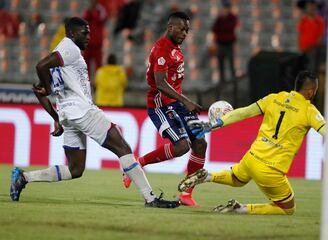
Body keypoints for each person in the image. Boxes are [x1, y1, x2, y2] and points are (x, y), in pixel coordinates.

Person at [9, 17, 179, 209]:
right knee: (122, 147)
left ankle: (23, 177)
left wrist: (56, 118)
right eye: (85, 32)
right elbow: (40, 66)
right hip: (82, 111)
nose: (89, 36)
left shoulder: (59, 56)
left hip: (67, 116)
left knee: (75, 169)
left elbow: (38, 90)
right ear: (72, 33)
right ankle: (150, 198)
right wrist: (49, 89)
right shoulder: (69, 48)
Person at [178, 71, 328, 215]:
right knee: (287, 208)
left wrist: (214, 124)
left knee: (237, 179)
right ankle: (240, 209)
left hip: (252, 157)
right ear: (311, 91)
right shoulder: (309, 111)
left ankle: (208, 176)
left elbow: (243, 112)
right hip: (271, 169)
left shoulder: (274, 98)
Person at [122, 11, 207, 207]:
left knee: (200, 144)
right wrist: (186, 101)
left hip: (176, 104)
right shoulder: (162, 49)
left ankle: (186, 193)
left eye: (187, 30)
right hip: (160, 105)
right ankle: (138, 163)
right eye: (182, 29)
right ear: (170, 27)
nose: (185, 33)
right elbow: (160, 83)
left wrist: (183, 103)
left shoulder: (176, 48)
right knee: (182, 146)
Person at [211, 0, 238, 99]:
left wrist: (223, 18)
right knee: (221, 68)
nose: (225, 9)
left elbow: (229, 28)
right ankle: (222, 90)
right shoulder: (219, 18)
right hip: (220, 45)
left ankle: (234, 90)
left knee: (231, 68)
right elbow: (214, 29)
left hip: (229, 45)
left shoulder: (232, 17)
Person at [297, 0, 325, 74]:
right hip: (303, 50)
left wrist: (310, 48)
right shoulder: (303, 21)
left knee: (314, 56)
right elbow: (300, 35)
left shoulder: (319, 21)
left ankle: (311, 78)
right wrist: (301, 49)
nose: (311, 7)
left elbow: (320, 38)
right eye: (309, 5)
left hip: (313, 49)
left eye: (313, 5)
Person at [82, 0, 107, 80]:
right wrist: (90, 11)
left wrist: (93, 12)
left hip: (97, 43)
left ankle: (98, 82)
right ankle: (86, 83)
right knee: (86, 64)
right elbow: (84, 20)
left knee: (98, 65)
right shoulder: (88, 10)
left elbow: (102, 19)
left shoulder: (101, 10)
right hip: (88, 43)